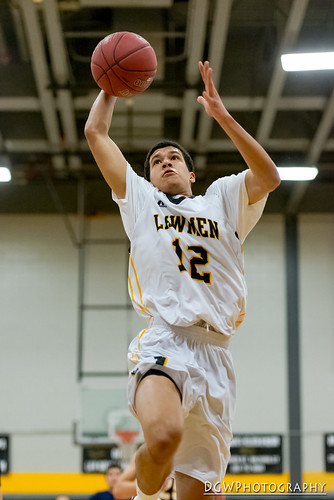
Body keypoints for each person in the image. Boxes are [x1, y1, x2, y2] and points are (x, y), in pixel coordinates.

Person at [85, 60, 280, 500]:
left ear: (191, 174)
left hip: (217, 354)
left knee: (201, 494)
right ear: (150, 175)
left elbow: (269, 177)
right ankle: (146, 489)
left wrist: (222, 116)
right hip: (165, 340)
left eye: (173, 158)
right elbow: (96, 134)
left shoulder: (223, 201)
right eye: (156, 160)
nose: (165, 162)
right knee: (164, 435)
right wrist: (111, 86)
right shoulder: (141, 202)